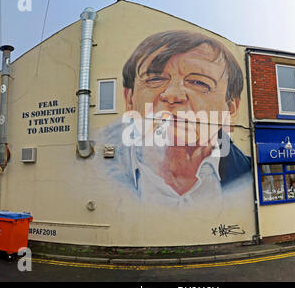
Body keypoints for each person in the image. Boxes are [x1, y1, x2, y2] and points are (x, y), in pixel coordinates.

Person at [99, 30, 252, 206]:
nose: (172, 95)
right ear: (129, 99)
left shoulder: (249, 175)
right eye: (155, 79)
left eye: (199, 82)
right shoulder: (96, 168)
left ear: (230, 109)